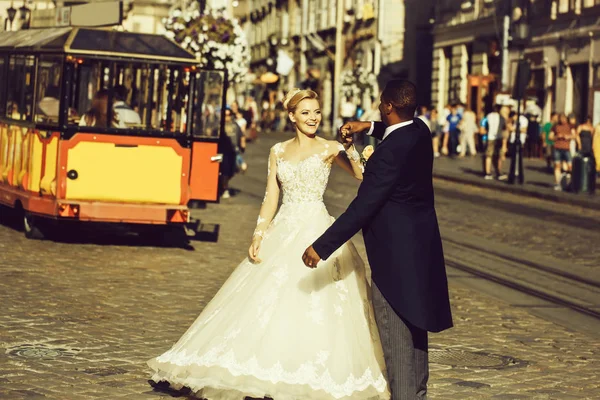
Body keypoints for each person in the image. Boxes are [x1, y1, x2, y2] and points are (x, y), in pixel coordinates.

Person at [148, 88, 390, 400]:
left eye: (316, 112)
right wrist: (259, 234)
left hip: (316, 227)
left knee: (317, 302)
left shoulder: (329, 147)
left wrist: (351, 147)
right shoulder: (277, 151)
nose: (312, 118)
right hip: (283, 229)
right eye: (305, 113)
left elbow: (360, 176)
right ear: (292, 117)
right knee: (264, 299)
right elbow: (271, 197)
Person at [303, 80, 453, 400]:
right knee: (416, 329)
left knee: (396, 334)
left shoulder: (389, 154)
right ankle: (418, 394)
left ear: (388, 106)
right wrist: (367, 126)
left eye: (379, 105)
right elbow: (394, 128)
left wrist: (322, 247)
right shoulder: (419, 131)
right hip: (421, 250)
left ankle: (404, 396)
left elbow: (363, 207)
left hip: (393, 256)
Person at [220, 107, 246, 198]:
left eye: (228, 115)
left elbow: (241, 135)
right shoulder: (220, 125)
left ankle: (223, 183)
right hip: (223, 152)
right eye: (225, 115)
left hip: (234, 151)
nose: (227, 117)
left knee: (233, 170)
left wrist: (243, 145)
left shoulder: (235, 125)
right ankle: (225, 189)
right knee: (225, 171)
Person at [482, 105, 508, 180]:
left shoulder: (488, 116)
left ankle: (487, 172)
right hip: (498, 138)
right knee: (498, 156)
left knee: (488, 156)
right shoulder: (501, 118)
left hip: (489, 137)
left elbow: (484, 127)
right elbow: (504, 128)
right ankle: (498, 172)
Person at [551, 113, 575, 191]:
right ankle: (557, 183)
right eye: (561, 118)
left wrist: (567, 137)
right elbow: (550, 137)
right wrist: (557, 137)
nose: (562, 120)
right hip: (557, 148)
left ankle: (568, 183)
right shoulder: (555, 126)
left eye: (564, 118)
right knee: (557, 166)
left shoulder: (570, 126)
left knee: (569, 166)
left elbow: (574, 135)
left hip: (566, 149)